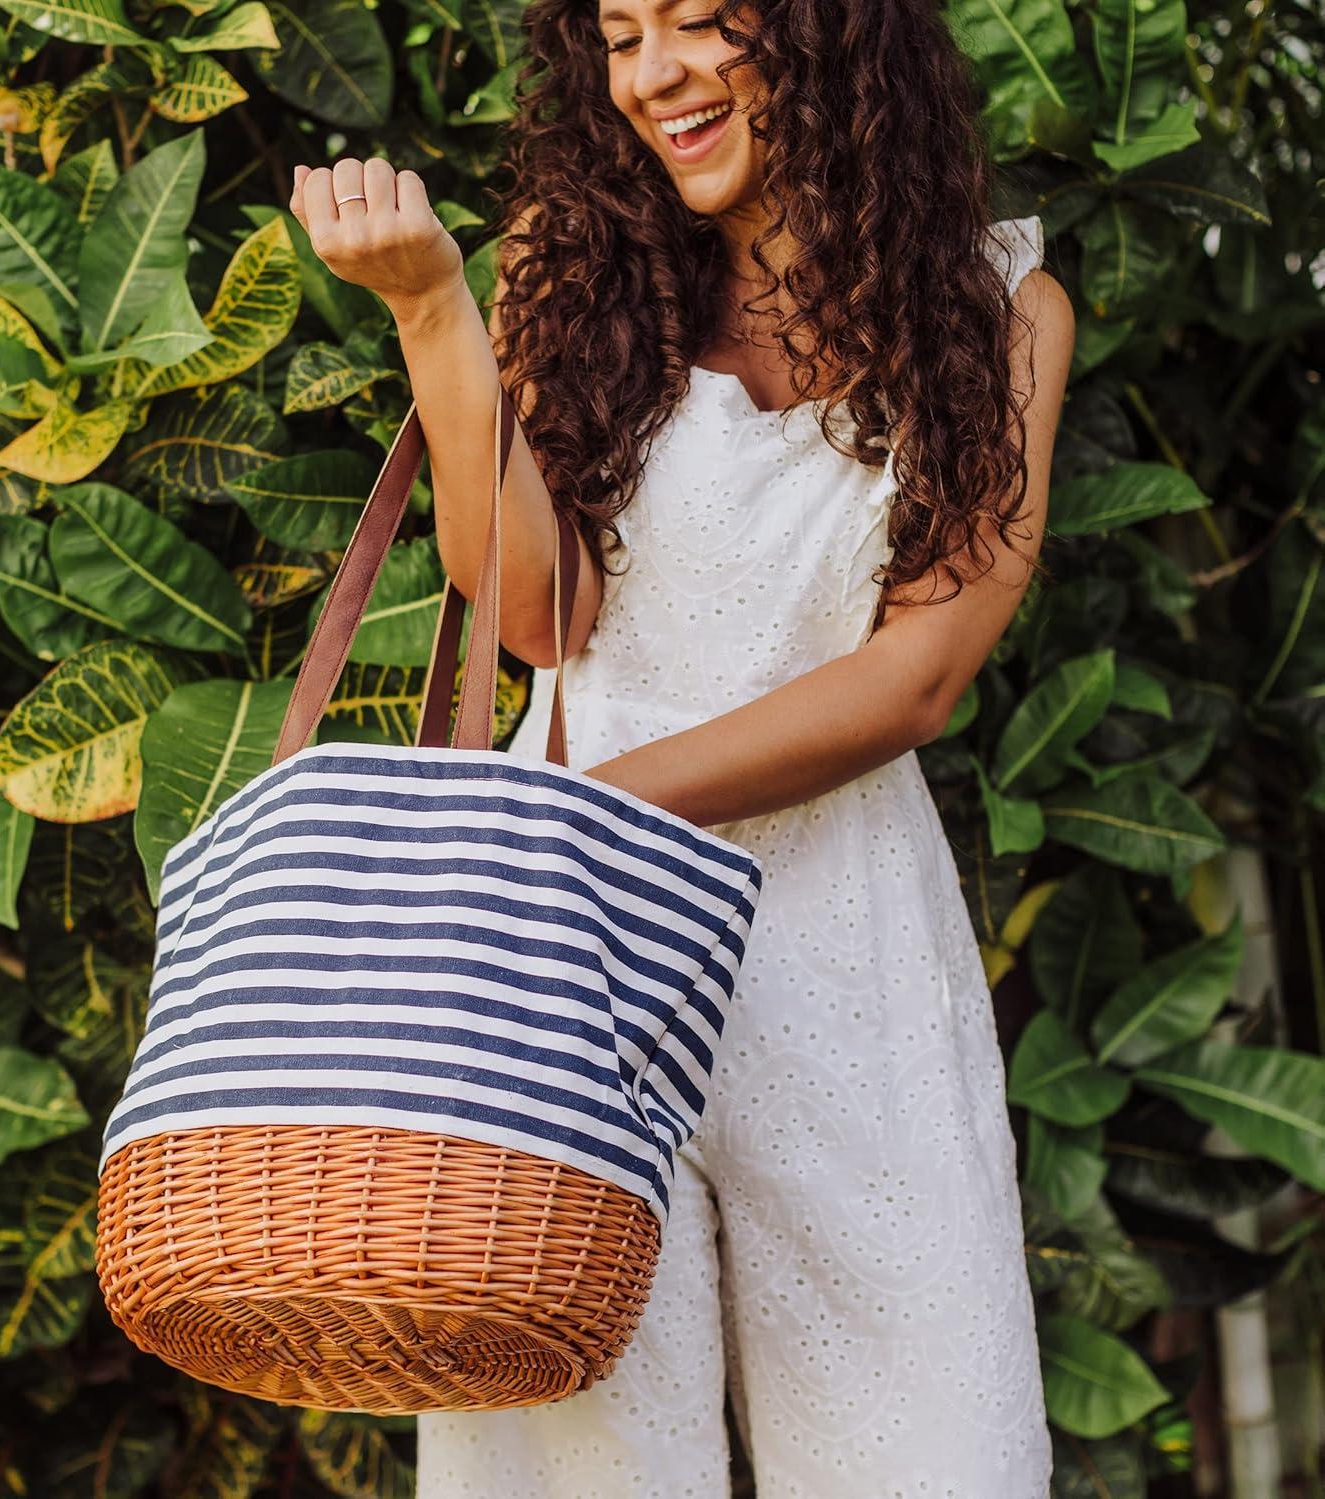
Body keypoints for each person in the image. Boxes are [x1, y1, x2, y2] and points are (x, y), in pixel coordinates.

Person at [287, 0, 1076, 1483]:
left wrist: (590, 810)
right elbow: (529, 615)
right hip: (568, 963)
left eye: (706, 23)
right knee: (571, 1456)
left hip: (842, 947)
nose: (657, 77)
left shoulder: (1001, 307)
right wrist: (429, 312)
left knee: (925, 1444)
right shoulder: (565, 266)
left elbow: (919, 673)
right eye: (624, 34)